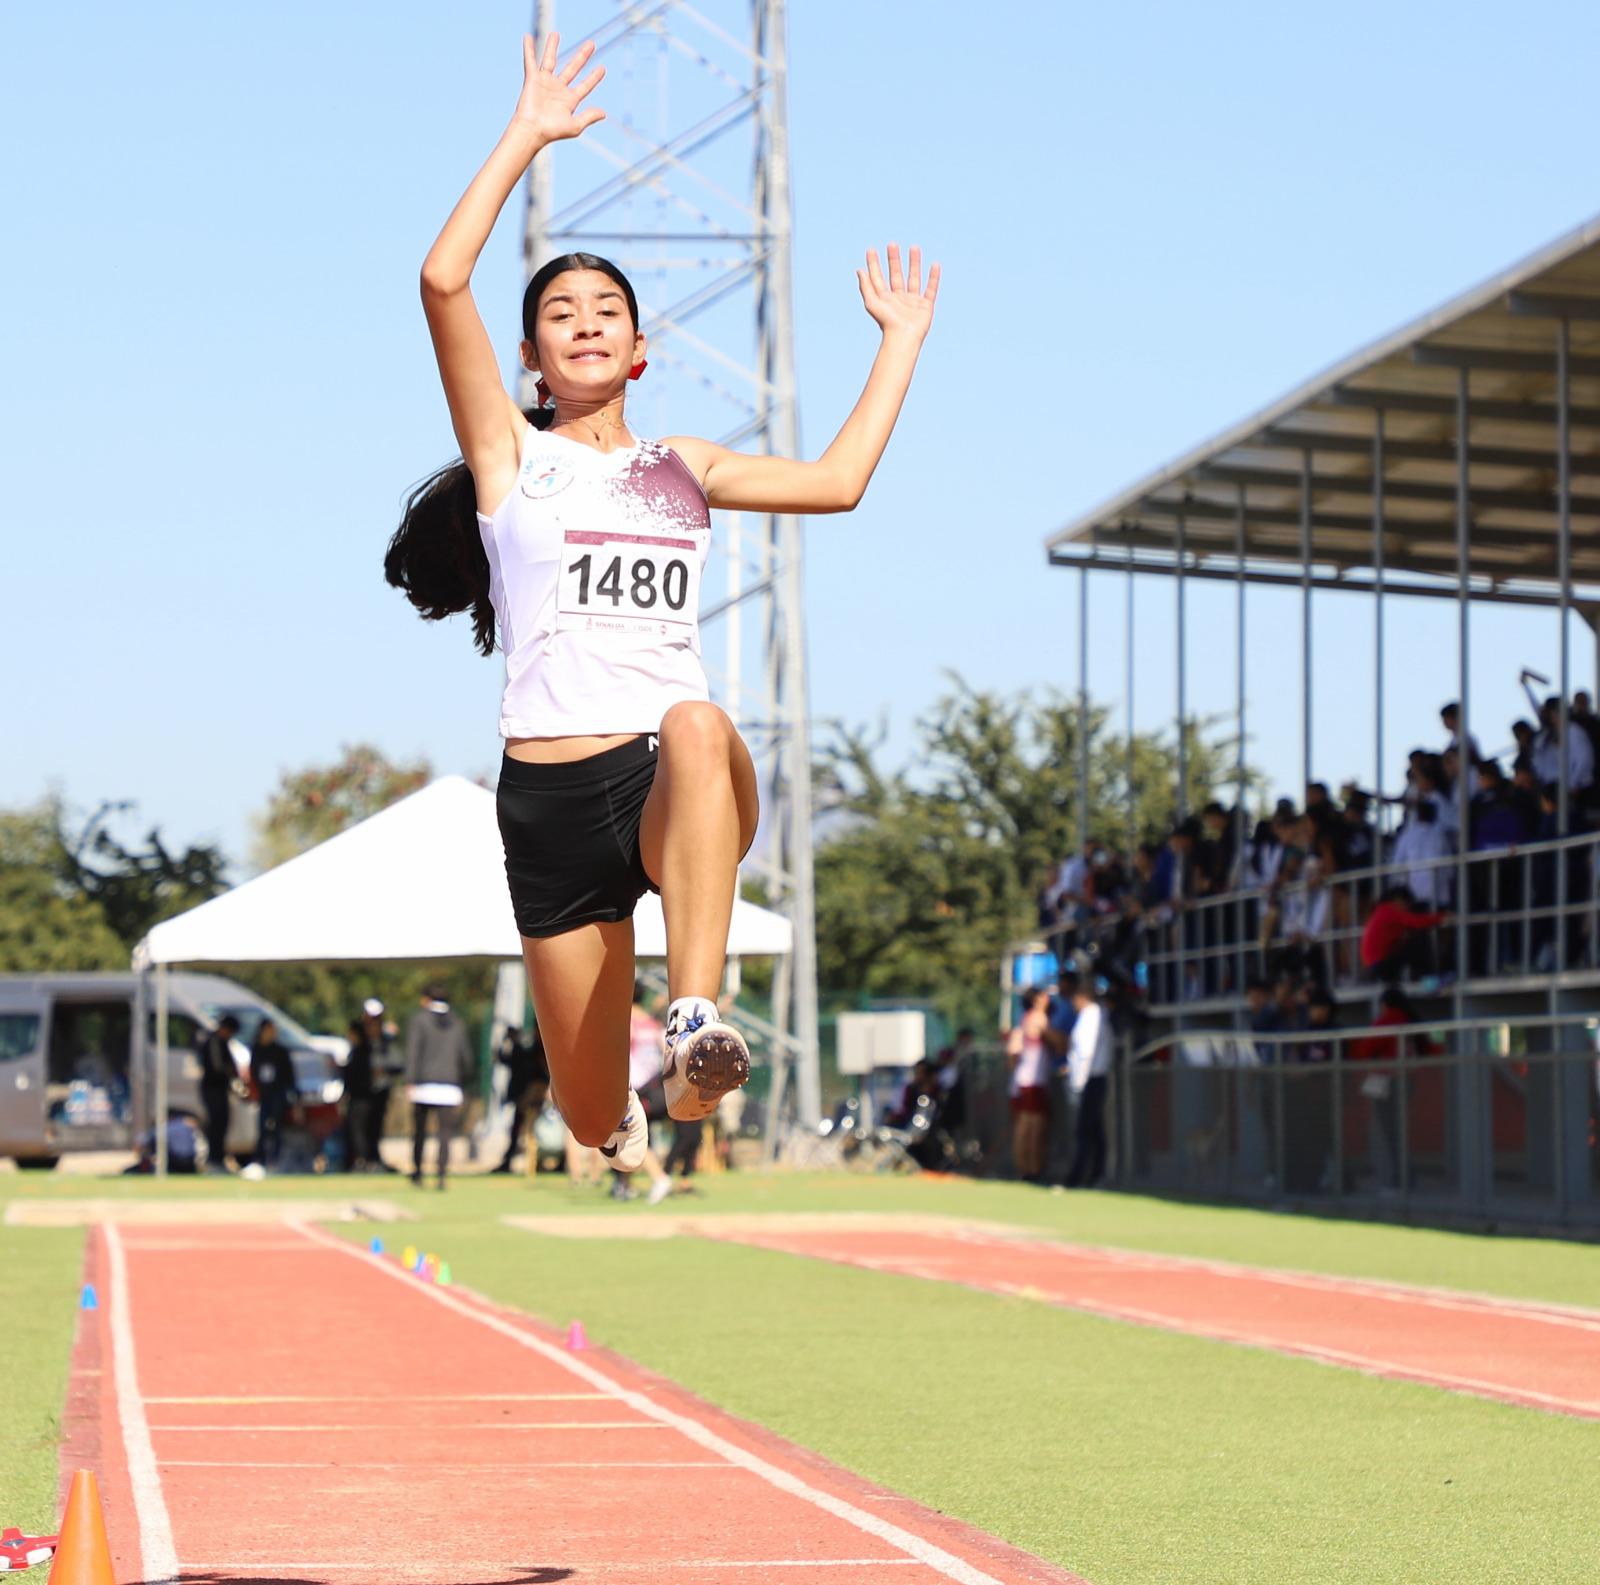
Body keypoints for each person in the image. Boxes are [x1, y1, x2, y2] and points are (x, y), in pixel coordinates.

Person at [385, 31, 938, 1177]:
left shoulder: (682, 465)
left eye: (606, 310)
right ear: (533, 359)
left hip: (664, 776)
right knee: (591, 1120)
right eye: (559, 312)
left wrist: (900, 344)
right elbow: (443, 280)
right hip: (546, 799)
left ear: (640, 350)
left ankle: (692, 1019)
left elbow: (836, 482)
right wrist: (525, 135)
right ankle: (641, 1109)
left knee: (697, 719)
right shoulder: (508, 463)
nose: (584, 320)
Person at [404, 985, 475, 1188]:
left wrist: (410, 1080)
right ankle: (441, 1175)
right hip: (450, 1086)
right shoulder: (457, 1022)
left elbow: (413, 1052)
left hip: (423, 1085)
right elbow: (466, 1058)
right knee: (445, 1134)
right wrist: (462, 1080)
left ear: (426, 999)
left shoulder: (419, 1020)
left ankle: (417, 1172)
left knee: (420, 1132)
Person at [1063, 980, 1113, 1188]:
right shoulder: (1095, 1015)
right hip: (1092, 1077)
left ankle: (1082, 1175)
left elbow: (1085, 1052)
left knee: (1086, 1130)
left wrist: (1078, 1082)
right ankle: (1093, 1173)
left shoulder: (1091, 1015)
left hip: (1090, 1078)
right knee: (1092, 1129)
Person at [1006, 989, 1053, 1183]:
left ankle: (1025, 1168)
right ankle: (1032, 1169)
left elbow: (1012, 1054)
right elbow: (1058, 1042)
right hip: (1033, 1080)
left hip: (1022, 1080)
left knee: (1024, 1127)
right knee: (1033, 1127)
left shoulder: (1023, 1020)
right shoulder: (1038, 1017)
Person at [492, 1024, 549, 1173]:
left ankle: (532, 1162)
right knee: (521, 1130)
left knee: (530, 1131)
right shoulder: (527, 1049)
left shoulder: (538, 1050)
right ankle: (512, 1160)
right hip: (526, 1095)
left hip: (533, 1095)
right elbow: (503, 1059)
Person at [248, 1017, 298, 1172]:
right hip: (264, 1094)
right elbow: (253, 1072)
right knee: (262, 1128)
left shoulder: (280, 1051)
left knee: (276, 1127)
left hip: (278, 1094)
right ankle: (260, 1160)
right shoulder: (257, 1049)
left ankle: (275, 1160)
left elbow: (289, 1076)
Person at [196, 1014, 240, 1173]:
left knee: (222, 1123)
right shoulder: (214, 1041)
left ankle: (219, 1158)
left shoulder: (223, 1043)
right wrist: (231, 1077)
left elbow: (232, 1067)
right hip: (212, 1089)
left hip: (220, 1089)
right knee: (216, 1123)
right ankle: (213, 1160)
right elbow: (219, 1068)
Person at [342, 1014, 377, 1171]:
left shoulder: (362, 1052)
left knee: (359, 1130)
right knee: (355, 1129)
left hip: (362, 1097)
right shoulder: (355, 1051)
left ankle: (363, 1160)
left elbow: (356, 1075)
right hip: (357, 1096)